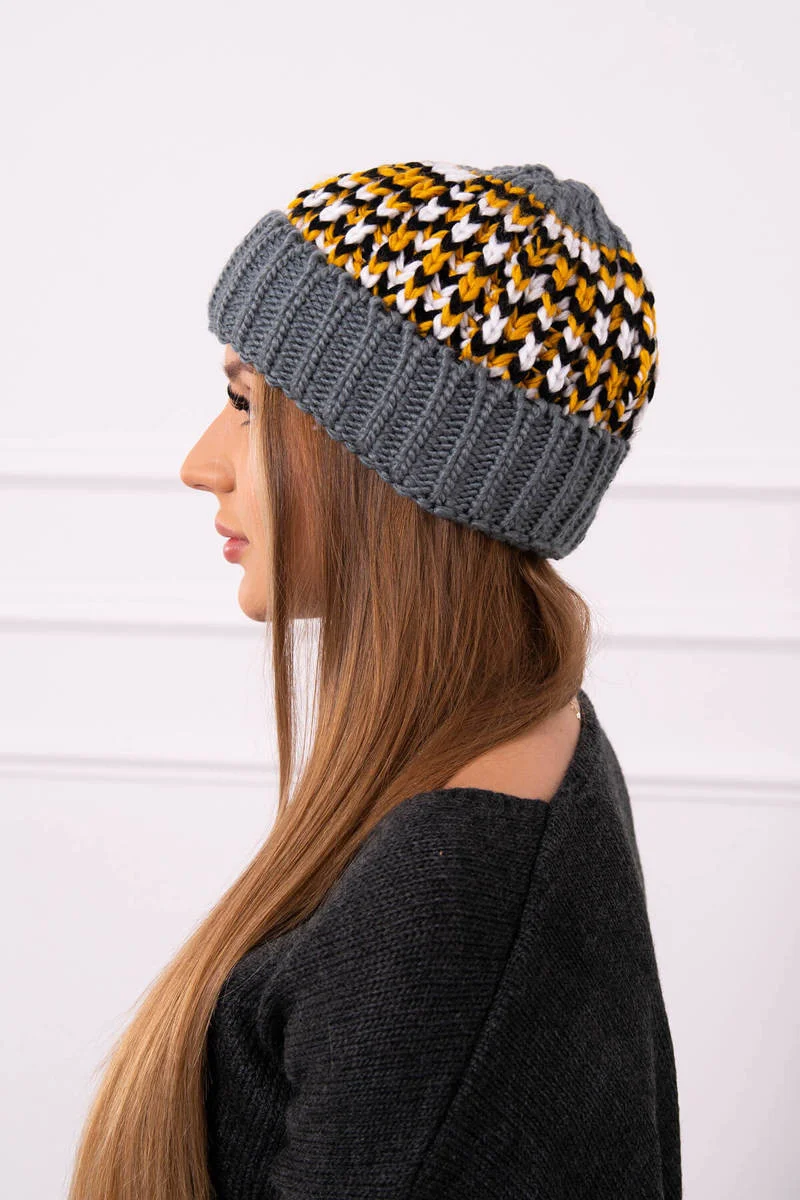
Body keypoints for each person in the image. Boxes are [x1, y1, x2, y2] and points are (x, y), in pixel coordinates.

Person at [68, 160, 681, 1199]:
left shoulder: (451, 899)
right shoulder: (530, 741)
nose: (201, 463)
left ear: (399, 464)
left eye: (246, 404)